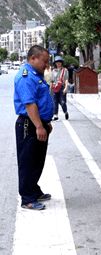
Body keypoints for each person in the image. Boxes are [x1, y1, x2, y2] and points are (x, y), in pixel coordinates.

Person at [14, 45, 54, 210]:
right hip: (29, 124)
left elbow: (40, 101)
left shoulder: (36, 75)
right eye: (44, 61)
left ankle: (34, 190)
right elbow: (30, 103)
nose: (46, 65)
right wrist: (39, 125)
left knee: (38, 160)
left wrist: (46, 122)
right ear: (33, 58)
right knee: (28, 161)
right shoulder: (26, 76)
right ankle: (27, 198)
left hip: (38, 122)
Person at [51, 56, 69, 120]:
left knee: (62, 102)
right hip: (55, 88)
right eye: (57, 62)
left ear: (61, 63)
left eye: (59, 62)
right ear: (55, 63)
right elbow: (52, 81)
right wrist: (51, 89)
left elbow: (66, 79)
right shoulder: (53, 71)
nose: (58, 63)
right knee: (55, 102)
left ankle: (65, 112)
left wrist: (66, 87)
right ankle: (55, 115)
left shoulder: (65, 70)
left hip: (62, 87)